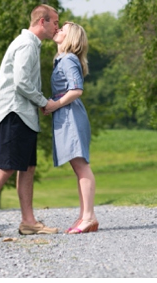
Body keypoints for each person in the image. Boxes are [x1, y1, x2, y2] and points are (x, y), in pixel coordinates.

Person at [0, 4, 63, 239]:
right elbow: (20, 83)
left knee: (27, 167)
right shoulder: (27, 44)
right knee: (7, 165)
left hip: (23, 115)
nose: (57, 27)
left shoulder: (31, 44)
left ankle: (28, 222)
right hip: (14, 113)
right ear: (42, 22)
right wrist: (43, 102)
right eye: (55, 22)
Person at [43, 21, 98, 234]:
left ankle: (89, 217)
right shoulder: (62, 60)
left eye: (62, 29)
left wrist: (55, 104)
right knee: (78, 166)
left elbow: (76, 90)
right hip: (66, 114)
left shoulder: (68, 59)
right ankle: (85, 215)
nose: (57, 30)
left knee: (81, 165)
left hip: (71, 115)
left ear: (71, 37)